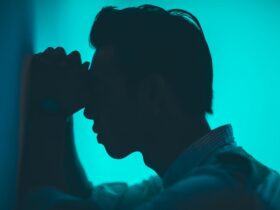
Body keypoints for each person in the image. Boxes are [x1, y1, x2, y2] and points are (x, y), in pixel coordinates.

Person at [18, 4, 280, 210]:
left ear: (153, 93)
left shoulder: (221, 190)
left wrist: (50, 106)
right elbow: (90, 201)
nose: (88, 109)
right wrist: (62, 111)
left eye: (99, 91)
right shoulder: (203, 177)